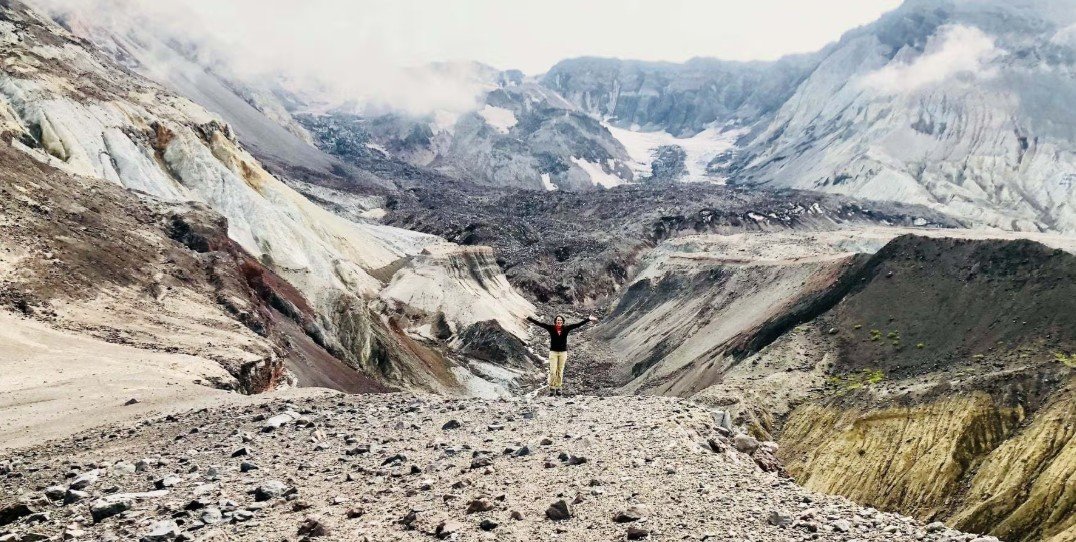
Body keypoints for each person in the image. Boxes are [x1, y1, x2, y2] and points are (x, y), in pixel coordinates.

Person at [526, 314, 597, 396]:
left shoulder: (566, 328)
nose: (559, 321)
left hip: (563, 353)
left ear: (563, 322)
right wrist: (528, 318)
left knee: (560, 371)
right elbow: (539, 324)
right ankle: (552, 388)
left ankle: (558, 388)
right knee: (553, 371)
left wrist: (588, 319)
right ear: (555, 321)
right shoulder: (551, 328)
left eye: (560, 320)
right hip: (553, 353)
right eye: (557, 320)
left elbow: (578, 325)